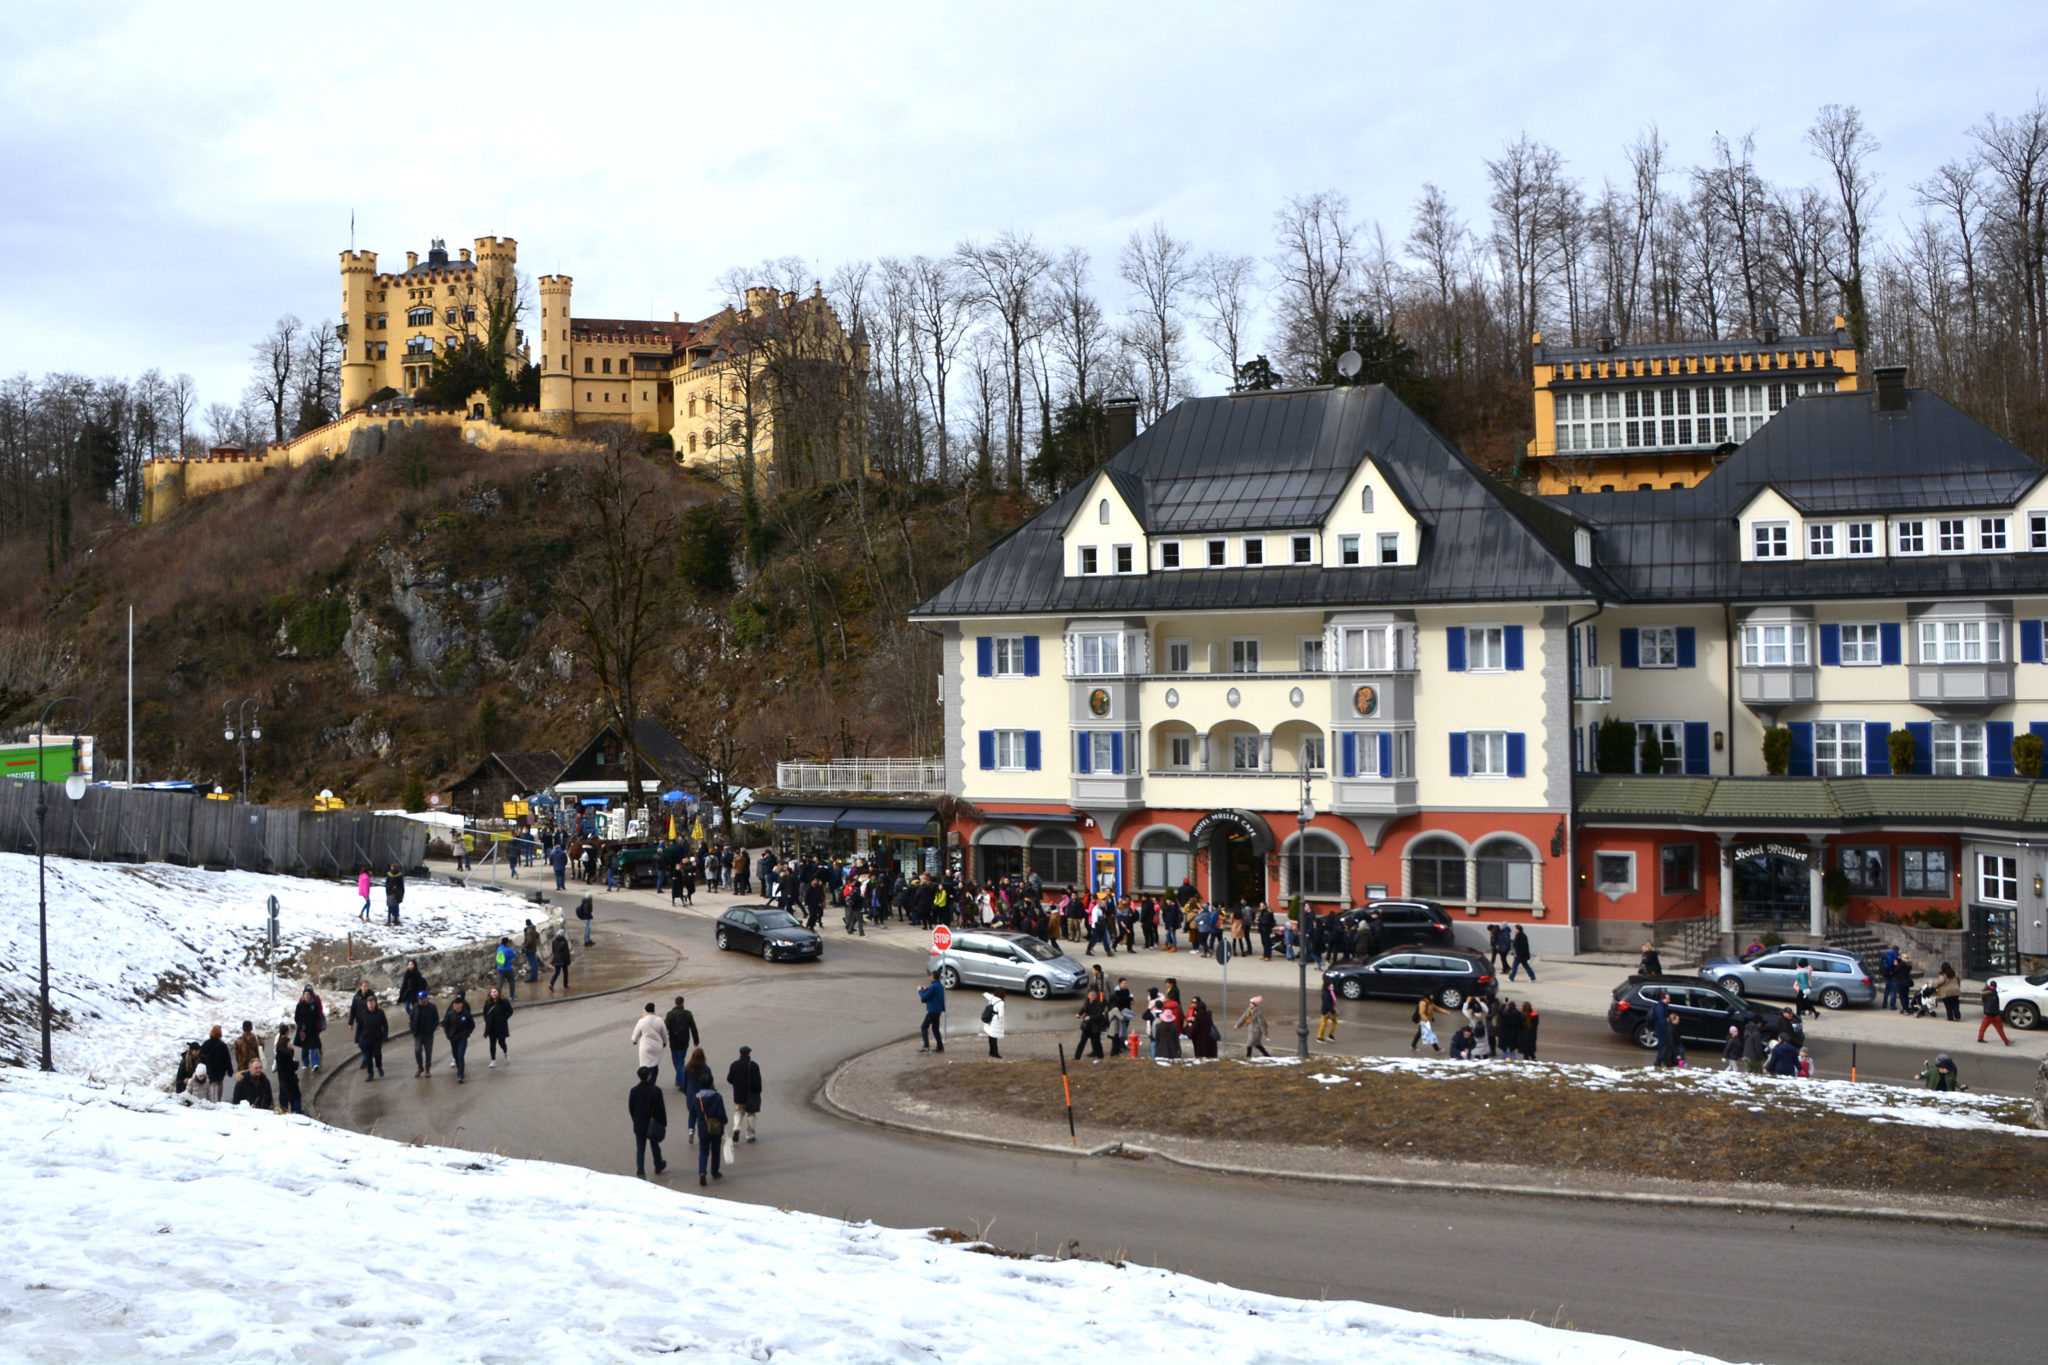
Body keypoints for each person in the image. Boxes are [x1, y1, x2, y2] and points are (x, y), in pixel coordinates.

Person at [629, 1066, 669, 1179]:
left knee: (640, 1148)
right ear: (649, 1076)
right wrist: (663, 1123)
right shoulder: (656, 1090)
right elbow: (661, 1109)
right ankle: (658, 1164)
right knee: (654, 1145)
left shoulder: (634, 1091)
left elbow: (631, 1108)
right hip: (653, 1123)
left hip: (639, 1124)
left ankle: (641, 1171)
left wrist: (635, 1120)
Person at [726, 1046, 763, 1143]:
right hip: (751, 1095)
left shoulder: (734, 1065)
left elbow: (729, 1079)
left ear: (740, 1054)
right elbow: (757, 1082)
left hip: (738, 1095)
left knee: (738, 1112)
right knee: (751, 1114)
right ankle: (750, 1135)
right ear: (749, 1054)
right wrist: (757, 1092)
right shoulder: (754, 1066)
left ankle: (736, 1128)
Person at [695, 1080, 729, 1185]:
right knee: (715, 1150)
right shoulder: (717, 1097)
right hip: (715, 1127)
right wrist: (724, 1121)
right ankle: (714, 1171)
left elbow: (693, 1113)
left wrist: (691, 1129)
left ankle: (702, 1171)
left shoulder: (697, 1098)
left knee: (704, 1151)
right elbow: (721, 1113)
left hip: (703, 1127)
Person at [665, 996, 701, 1087]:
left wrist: (663, 1041)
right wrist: (696, 1040)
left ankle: (682, 1081)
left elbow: (665, 1028)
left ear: (675, 1003)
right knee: (681, 1060)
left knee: (677, 1062)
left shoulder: (670, 1015)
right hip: (685, 1041)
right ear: (683, 1003)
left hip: (674, 1042)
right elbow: (693, 1028)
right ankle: (679, 1080)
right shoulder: (688, 1014)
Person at [443, 994, 475, 1082]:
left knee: (461, 1055)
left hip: (462, 1038)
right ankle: (459, 1068)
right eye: (454, 1004)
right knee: (456, 1055)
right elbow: (445, 1024)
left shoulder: (466, 1014)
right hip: (453, 1038)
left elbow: (472, 1025)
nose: (455, 1006)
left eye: (457, 1004)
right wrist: (448, 1034)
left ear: (461, 1005)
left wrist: (467, 1034)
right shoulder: (450, 1014)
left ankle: (460, 1074)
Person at [293, 987, 325, 1073]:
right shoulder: (300, 1005)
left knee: (314, 1046)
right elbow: (296, 1017)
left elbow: (317, 1016)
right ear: (303, 995)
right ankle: (305, 1063)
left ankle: (315, 1063)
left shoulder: (314, 1005)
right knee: (305, 1047)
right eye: (305, 994)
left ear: (311, 996)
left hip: (312, 1030)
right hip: (303, 1030)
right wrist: (300, 1025)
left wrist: (314, 1025)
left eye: (308, 994)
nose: (306, 996)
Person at [356, 996, 388, 1080]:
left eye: (372, 1004)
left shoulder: (380, 1013)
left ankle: (379, 1067)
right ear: (367, 1004)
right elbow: (359, 1027)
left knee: (378, 1054)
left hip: (377, 1038)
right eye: (369, 1004)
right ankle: (370, 1073)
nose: (371, 1006)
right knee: (368, 1056)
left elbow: (385, 1025)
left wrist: (385, 1036)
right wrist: (357, 1038)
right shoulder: (363, 1014)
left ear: (375, 1004)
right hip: (366, 1038)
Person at [409, 991, 440, 1077]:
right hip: (418, 1034)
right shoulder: (415, 1007)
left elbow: (436, 1020)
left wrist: (432, 1029)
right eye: (420, 999)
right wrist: (413, 1029)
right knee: (417, 1050)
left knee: (428, 1052)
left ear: (426, 998)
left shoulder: (432, 1007)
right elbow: (411, 1019)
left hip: (428, 1034)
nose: (421, 1000)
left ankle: (427, 1068)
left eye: (422, 999)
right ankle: (420, 1067)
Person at [199, 1025, 233, 1102]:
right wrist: (229, 1070)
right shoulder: (222, 1045)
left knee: (212, 1084)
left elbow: (201, 1055)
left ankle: (212, 1099)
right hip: (220, 1069)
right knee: (220, 1084)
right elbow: (227, 1058)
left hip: (210, 1068)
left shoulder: (206, 1043)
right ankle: (219, 1099)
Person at [632, 1002, 667, 1074]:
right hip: (657, 1047)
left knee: (645, 1067)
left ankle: (647, 1082)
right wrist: (664, 1042)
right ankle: (653, 1081)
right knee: (654, 1065)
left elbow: (636, 1034)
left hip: (645, 1048)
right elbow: (664, 1034)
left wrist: (634, 1040)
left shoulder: (642, 1021)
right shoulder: (659, 1020)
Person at [274, 1027, 302, 1114]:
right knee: (296, 1098)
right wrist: (296, 1063)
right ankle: (297, 1112)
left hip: (283, 1083)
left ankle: (284, 1112)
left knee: (284, 1099)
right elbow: (292, 1066)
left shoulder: (280, 1054)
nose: (291, 1044)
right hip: (290, 1082)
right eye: (289, 1043)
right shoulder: (285, 1056)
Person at [917, 972, 947, 1052]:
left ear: (933, 977)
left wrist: (920, 991)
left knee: (924, 1027)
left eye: (931, 975)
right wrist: (927, 989)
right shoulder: (940, 986)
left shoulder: (933, 987)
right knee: (935, 1029)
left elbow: (924, 997)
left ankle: (926, 1046)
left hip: (932, 1011)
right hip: (938, 1011)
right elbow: (937, 995)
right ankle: (940, 1047)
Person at [483, 988, 512, 1067]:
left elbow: (510, 1011)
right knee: (492, 1043)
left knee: (501, 1042)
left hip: (501, 1026)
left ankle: (505, 1052)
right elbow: (485, 1012)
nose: (494, 993)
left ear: (498, 993)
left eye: (495, 992)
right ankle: (493, 1060)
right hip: (491, 1027)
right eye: (492, 992)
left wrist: (504, 1018)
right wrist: (487, 1019)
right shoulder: (488, 1002)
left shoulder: (504, 1001)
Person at [1316, 978, 1339, 1043]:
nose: (1332, 985)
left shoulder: (1330, 991)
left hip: (1329, 1010)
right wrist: (1332, 1010)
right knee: (1323, 1024)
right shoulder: (1326, 993)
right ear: (1327, 985)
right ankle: (1319, 1037)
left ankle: (1330, 1035)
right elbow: (1327, 1003)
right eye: (1330, 984)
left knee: (1334, 1022)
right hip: (1326, 1011)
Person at [522, 919, 543, 984]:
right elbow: (537, 936)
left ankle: (533, 977)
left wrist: (525, 946)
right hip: (533, 948)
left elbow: (529, 941)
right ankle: (534, 976)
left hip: (530, 949)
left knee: (532, 963)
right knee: (534, 963)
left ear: (526, 923)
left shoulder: (529, 931)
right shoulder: (533, 929)